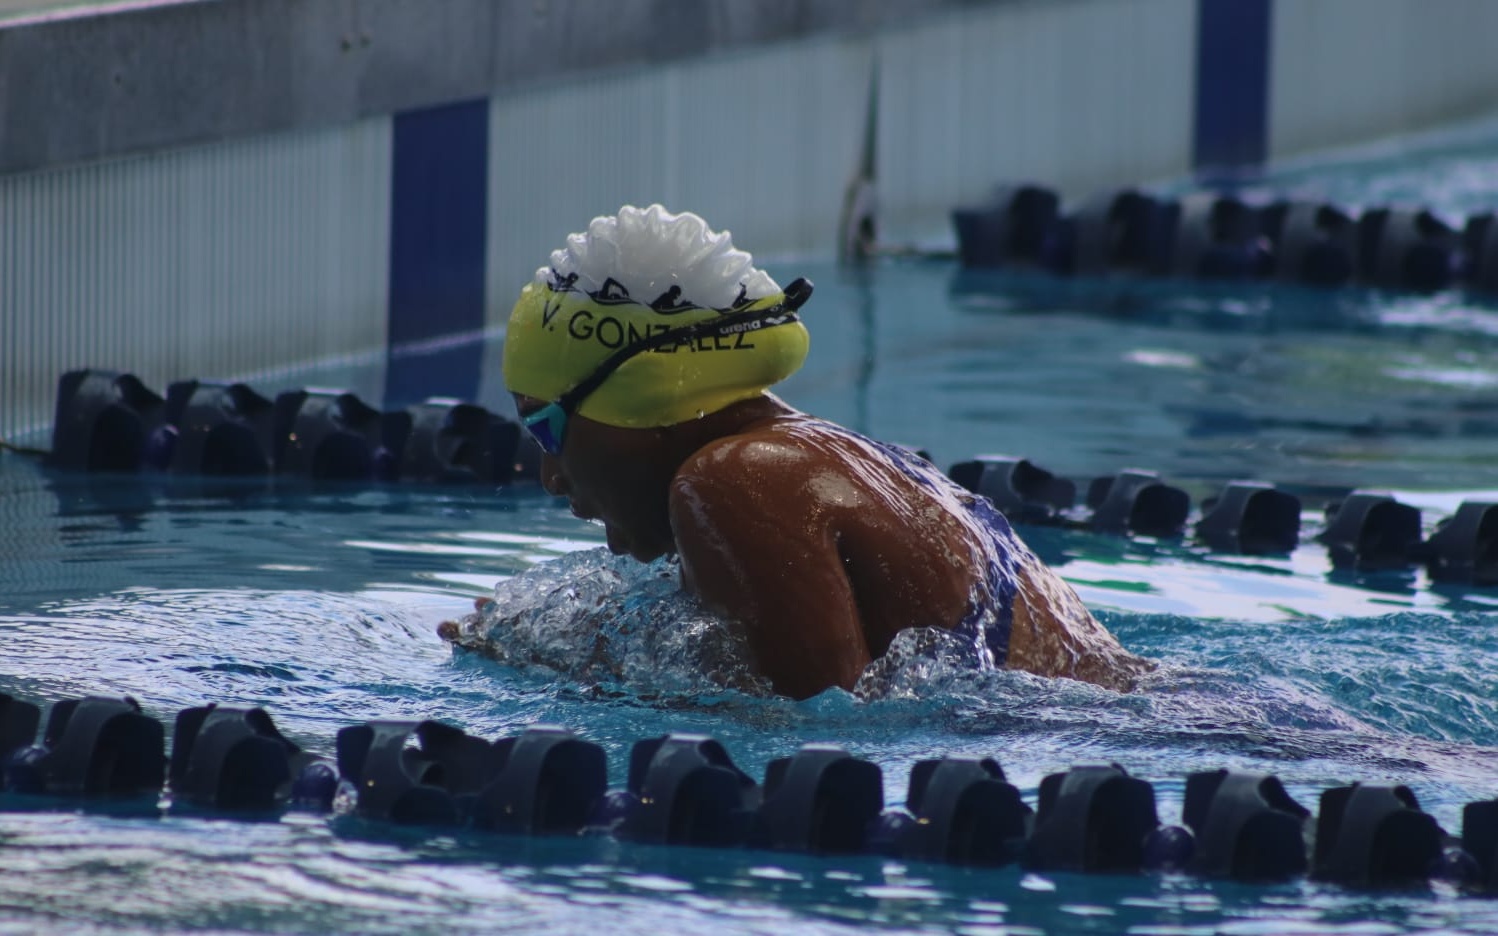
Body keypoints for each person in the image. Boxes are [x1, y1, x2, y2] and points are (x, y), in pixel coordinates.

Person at [451, 204, 1150, 700]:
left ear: (641, 393)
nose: (548, 475)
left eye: (546, 428)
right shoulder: (829, 457)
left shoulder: (735, 481)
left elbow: (812, 734)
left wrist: (553, 663)